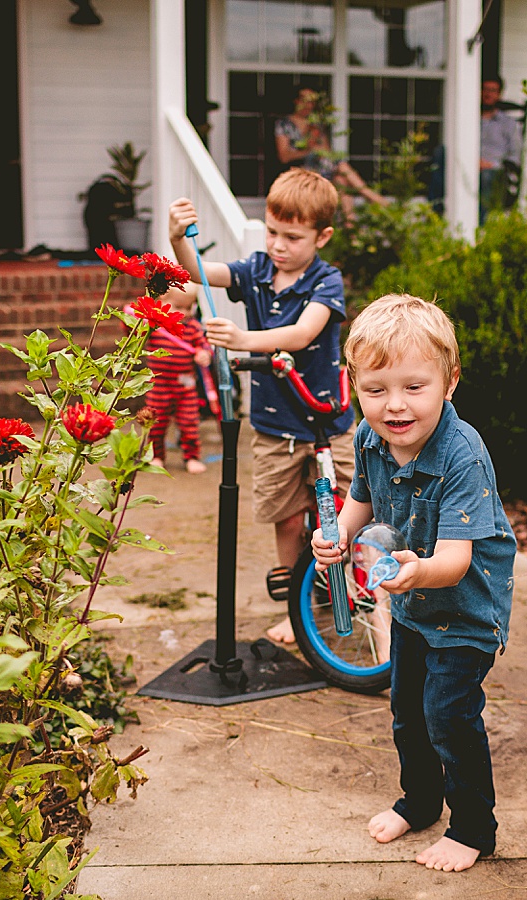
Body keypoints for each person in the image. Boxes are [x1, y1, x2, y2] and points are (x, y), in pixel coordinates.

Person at [311, 294, 517, 872]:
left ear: (449, 382)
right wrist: (339, 535)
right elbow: (360, 500)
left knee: (449, 716)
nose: (394, 406)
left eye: (413, 388)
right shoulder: (369, 437)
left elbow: (452, 560)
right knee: (407, 711)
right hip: (412, 607)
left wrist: (414, 572)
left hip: (465, 610)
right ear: (354, 385)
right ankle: (421, 801)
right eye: (375, 390)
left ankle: (474, 828)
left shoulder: (462, 455)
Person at [167, 168, 356, 646]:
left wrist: (245, 339)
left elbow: (303, 333)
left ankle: (358, 592)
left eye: (293, 237)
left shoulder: (325, 280)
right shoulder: (254, 271)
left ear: (322, 237)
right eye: (272, 231)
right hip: (274, 427)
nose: (279, 245)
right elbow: (195, 274)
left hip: (328, 422)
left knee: (347, 512)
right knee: (288, 518)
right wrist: (176, 239)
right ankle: (295, 610)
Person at [275, 87, 386, 218]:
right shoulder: (284, 124)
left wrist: (317, 143)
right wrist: (308, 150)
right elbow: (284, 156)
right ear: (296, 101)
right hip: (301, 170)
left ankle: (351, 228)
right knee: (341, 167)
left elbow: (327, 152)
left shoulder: (315, 123)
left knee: (341, 180)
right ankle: (371, 196)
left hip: (323, 168)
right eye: (304, 100)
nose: (308, 105)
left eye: (311, 102)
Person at [141, 283, 213, 475]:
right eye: (178, 307)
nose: (184, 313)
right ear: (162, 303)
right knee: (155, 422)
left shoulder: (192, 327)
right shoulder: (155, 326)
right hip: (158, 385)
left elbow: (204, 347)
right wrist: (135, 322)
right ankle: (156, 456)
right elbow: (135, 334)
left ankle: (192, 456)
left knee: (189, 422)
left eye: (189, 307)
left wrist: (203, 354)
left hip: (185, 386)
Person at [479, 76, 521, 224]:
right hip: (467, 167)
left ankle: (481, 227)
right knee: (441, 153)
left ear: (499, 94)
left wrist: (492, 165)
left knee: (486, 177)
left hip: (495, 172)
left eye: (493, 90)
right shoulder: (467, 118)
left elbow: (515, 157)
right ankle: (437, 213)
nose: (487, 94)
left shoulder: (508, 124)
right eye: (484, 89)